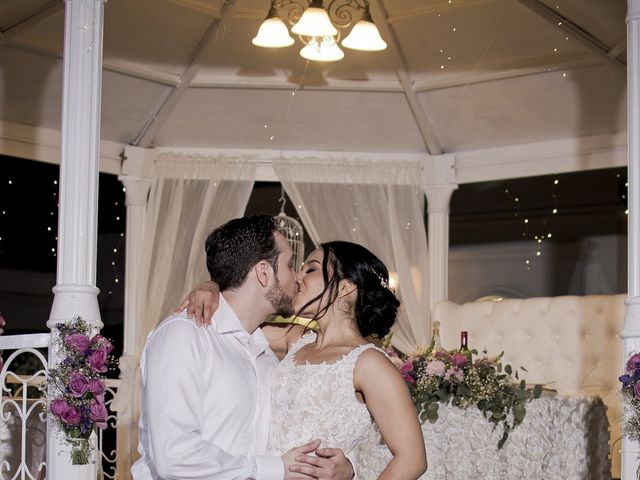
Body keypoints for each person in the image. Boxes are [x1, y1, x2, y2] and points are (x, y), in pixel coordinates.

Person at [131, 215, 354, 480]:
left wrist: (348, 467)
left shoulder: (266, 356)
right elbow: (175, 457)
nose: (297, 277)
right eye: (289, 264)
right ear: (263, 272)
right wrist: (276, 469)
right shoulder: (186, 335)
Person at [182, 240, 428, 479]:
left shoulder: (369, 364)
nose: (298, 277)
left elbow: (412, 459)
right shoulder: (294, 339)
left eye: (310, 269)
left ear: (346, 288)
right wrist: (212, 287)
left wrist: (350, 471)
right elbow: (230, 320)